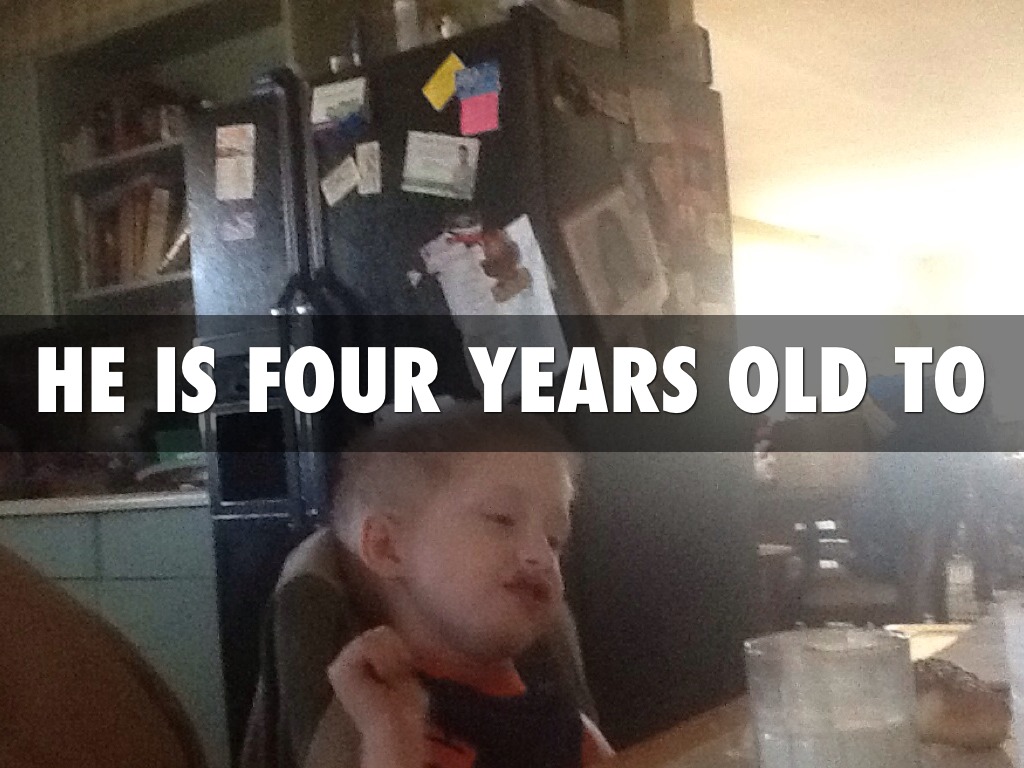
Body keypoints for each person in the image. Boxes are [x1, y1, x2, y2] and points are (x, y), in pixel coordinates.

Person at [327, 408, 614, 768]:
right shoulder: (371, 718)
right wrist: (391, 735)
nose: (542, 556)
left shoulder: (569, 730)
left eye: (555, 539)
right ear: (387, 546)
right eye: (501, 518)